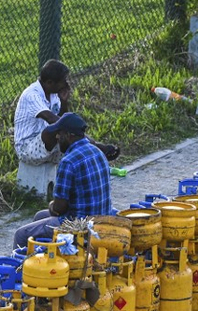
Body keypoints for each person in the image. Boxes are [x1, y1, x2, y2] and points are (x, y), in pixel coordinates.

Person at [14, 59, 119, 195]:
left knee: (67, 137)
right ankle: (98, 148)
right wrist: (81, 133)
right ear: (49, 83)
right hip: (27, 148)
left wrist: (64, 102)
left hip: (48, 146)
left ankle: (92, 160)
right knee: (54, 131)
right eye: (63, 80)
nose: (66, 83)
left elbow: (62, 119)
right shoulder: (32, 95)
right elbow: (53, 120)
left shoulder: (53, 94)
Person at [13, 113, 112, 249]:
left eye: (60, 133)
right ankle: (45, 258)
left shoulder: (68, 161)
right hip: (101, 220)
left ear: (69, 135)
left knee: (21, 235)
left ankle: (22, 269)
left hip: (79, 226)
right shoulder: (97, 152)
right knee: (39, 216)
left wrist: (51, 205)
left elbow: (59, 209)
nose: (57, 137)